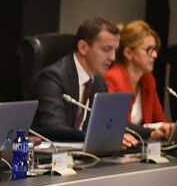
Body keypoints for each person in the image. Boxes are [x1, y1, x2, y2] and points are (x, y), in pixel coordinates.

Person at [31, 16, 136, 147]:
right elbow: (55, 128)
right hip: (52, 154)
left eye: (115, 50)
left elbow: (113, 123)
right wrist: (102, 138)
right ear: (83, 47)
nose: (113, 57)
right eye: (107, 49)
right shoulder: (52, 78)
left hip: (83, 152)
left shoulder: (98, 81)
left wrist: (152, 133)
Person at [104, 20, 174, 141]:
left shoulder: (148, 79)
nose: (155, 55)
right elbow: (113, 124)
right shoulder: (113, 78)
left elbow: (159, 120)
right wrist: (150, 133)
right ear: (128, 53)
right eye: (149, 49)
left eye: (155, 49)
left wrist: (167, 129)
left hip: (140, 147)